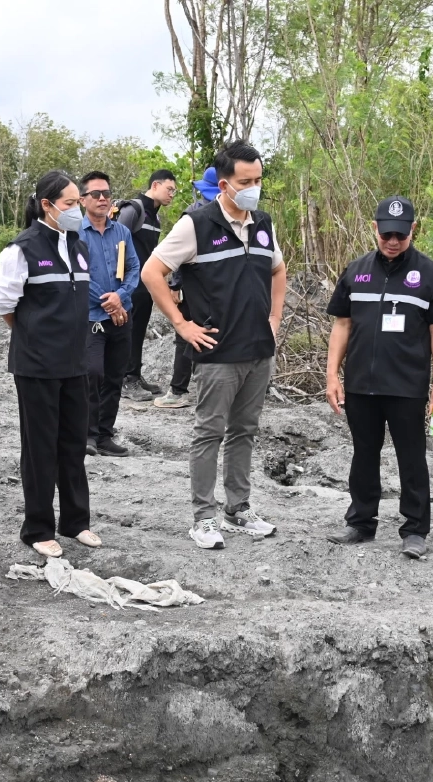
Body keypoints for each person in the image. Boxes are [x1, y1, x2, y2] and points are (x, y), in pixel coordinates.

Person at [141, 141, 286, 550]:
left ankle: (238, 509)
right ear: (224, 184)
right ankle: (203, 517)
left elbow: (278, 269)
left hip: (259, 350)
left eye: (258, 180)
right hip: (217, 352)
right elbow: (153, 272)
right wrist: (182, 324)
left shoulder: (263, 223)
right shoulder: (196, 225)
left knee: (245, 431)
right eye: (246, 181)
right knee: (210, 433)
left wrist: (274, 319)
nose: (254, 188)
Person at [323, 196, 433, 559]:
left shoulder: (430, 273)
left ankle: (414, 530)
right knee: (363, 453)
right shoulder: (356, 270)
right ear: (375, 229)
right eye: (387, 234)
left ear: (413, 229)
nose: (393, 241)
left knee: (411, 457)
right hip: (361, 384)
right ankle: (361, 523)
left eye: (401, 234)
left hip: (406, 385)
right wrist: (332, 374)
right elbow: (342, 324)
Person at [0, 170, 102, 559]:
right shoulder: (21, 249)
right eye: (70, 204)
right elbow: (5, 306)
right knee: (40, 448)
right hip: (36, 365)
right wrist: (34, 337)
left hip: (74, 362)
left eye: (78, 203)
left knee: (73, 444)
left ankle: (76, 521)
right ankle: (38, 527)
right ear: (47, 205)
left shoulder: (78, 244)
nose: (76, 210)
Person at [78, 170, 140, 457]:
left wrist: (121, 296)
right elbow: (76, 276)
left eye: (106, 194)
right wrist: (108, 303)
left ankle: (104, 435)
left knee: (115, 376)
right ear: (82, 200)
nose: (102, 199)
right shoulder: (75, 234)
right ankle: (86, 434)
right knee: (92, 374)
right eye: (95, 194)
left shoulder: (122, 232)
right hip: (92, 318)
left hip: (122, 316)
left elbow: (134, 268)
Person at [153, 167, 219, 410]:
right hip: (220, 289)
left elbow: (176, 258)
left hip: (195, 288)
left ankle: (179, 390)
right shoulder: (236, 212)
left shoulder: (193, 214)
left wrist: (175, 285)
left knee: (186, 335)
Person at [116, 169, 177, 401]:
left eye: (174, 190)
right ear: (155, 186)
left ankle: (134, 374)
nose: (172, 194)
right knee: (127, 330)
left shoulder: (155, 216)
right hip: (129, 286)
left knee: (139, 330)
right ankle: (125, 380)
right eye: (169, 189)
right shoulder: (134, 210)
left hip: (146, 286)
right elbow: (117, 245)